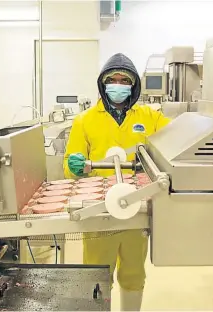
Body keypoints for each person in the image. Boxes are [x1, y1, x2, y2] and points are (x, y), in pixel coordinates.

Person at [63, 53, 170, 311]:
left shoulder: (150, 117)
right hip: (99, 208)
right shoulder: (85, 120)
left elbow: (173, 142)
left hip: (137, 204)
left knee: (134, 273)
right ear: (103, 83)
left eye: (125, 80)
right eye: (114, 80)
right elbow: (69, 167)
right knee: (97, 274)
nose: (119, 85)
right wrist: (75, 164)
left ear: (133, 86)